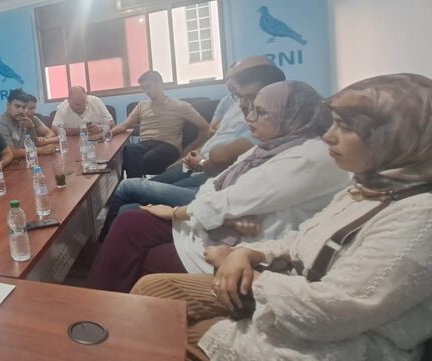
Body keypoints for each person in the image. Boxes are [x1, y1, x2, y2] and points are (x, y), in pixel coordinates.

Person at [132, 73, 432, 361]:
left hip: (331, 360)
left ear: (398, 138)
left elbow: (328, 312)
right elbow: (302, 236)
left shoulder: (425, 219)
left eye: (346, 128)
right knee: (153, 291)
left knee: (156, 340)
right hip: (288, 296)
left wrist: (249, 274)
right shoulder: (371, 189)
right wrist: (247, 253)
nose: (329, 135)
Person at [89, 81, 350, 293]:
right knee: (131, 219)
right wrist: (228, 215)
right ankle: (95, 292)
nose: (249, 116)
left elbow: (226, 200)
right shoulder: (267, 148)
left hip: (241, 246)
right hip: (219, 223)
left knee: (134, 233)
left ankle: (96, 305)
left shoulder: (309, 157)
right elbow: (214, 187)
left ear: (290, 115)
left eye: (261, 112)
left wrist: (179, 212)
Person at [100, 62, 286, 232]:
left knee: (128, 187)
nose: (244, 104)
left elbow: (213, 143)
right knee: (132, 157)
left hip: (184, 157)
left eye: (248, 96)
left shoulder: (268, 126)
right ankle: (129, 201)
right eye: (240, 96)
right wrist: (194, 155)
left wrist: (194, 156)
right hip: (197, 166)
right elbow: (212, 133)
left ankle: (109, 229)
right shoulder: (231, 103)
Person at [112, 70, 210, 177]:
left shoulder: (180, 106)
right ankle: (135, 183)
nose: (146, 91)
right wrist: (106, 134)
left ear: (160, 84)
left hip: (168, 145)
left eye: (148, 86)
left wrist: (188, 151)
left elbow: (206, 129)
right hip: (145, 144)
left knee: (141, 160)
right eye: (144, 88)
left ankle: (133, 183)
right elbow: (124, 125)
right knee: (129, 149)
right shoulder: (142, 105)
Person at [0, 89, 57, 159]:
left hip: (25, 159)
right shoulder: (1, 123)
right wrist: (41, 150)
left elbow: (34, 144)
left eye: (23, 107)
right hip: (11, 163)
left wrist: (31, 127)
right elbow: (12, 152)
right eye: (17, 106)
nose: (20, 110)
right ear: (8, 105)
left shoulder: (23, 118)